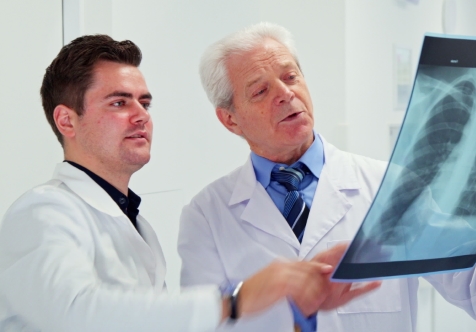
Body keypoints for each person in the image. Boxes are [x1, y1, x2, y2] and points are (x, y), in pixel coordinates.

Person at [178, 22, 476, 332]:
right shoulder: (206, 215)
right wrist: (293, 311)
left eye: (291, 76)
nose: (286, 93)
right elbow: (202, 323)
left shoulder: (392, 187)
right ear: (230, 119)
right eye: (261, 90)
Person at [0, 35, 376, 332]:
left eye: (144, 103)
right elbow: (74, 313)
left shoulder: (133, 223)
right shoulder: (43, 212)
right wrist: (233, 302)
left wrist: (296, 308)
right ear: (67, 121)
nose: (141, 116)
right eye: (119, 103)